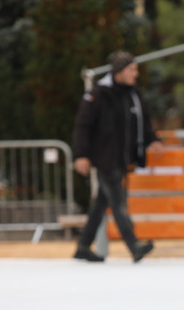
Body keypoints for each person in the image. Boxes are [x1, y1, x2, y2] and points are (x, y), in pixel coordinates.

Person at [71, 50, 162, 263]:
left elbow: (143, 120)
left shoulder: (131, 93)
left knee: (100, 204)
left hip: (121, 157)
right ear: (119, 71)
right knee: (118, 202)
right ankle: (134, 246)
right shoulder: (99, 93)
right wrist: (81, 155)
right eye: (131, 69)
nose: (136, 74)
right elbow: (82, 126)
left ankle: (83, 246)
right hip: (104, 158)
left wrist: (153, 139)